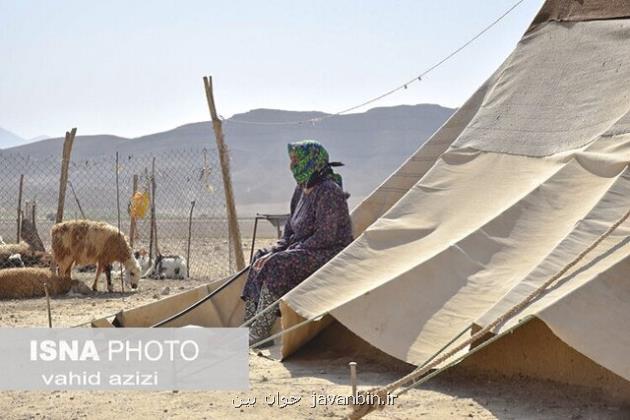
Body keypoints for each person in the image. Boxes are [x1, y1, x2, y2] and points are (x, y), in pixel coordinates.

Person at [242, 140, 353, 346]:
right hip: (304, 248)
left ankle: (260, 331)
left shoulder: (329, 191)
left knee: (277, 263)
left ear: (311, 161)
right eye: (291, 160)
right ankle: (250, 324)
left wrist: (284, 253)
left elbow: (326, 237)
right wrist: (274, 250)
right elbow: (290, 231)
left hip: (329, 253)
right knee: (260, 257)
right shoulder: (301, 189)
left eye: (296, 160)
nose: (292, 165)